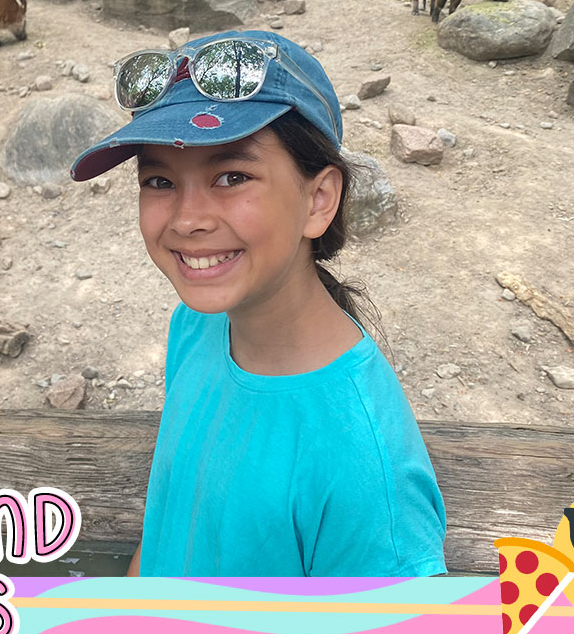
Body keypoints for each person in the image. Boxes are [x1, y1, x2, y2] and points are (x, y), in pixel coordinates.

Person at [71, 30, 446, 577]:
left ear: (318, 200)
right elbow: (172, 525)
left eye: (231, 176)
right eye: (158, 179)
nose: (186, 218)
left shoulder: (366, 468)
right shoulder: (197, 327)